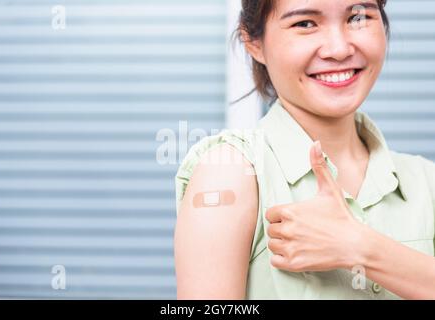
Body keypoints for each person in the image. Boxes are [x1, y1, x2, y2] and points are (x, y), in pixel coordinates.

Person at [174, 0, 435, 299]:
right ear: (254, 42)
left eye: (358, 17)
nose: (338, 48)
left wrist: (362, 249)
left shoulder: (426, 182)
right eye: (305, 23)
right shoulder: (230, 173)